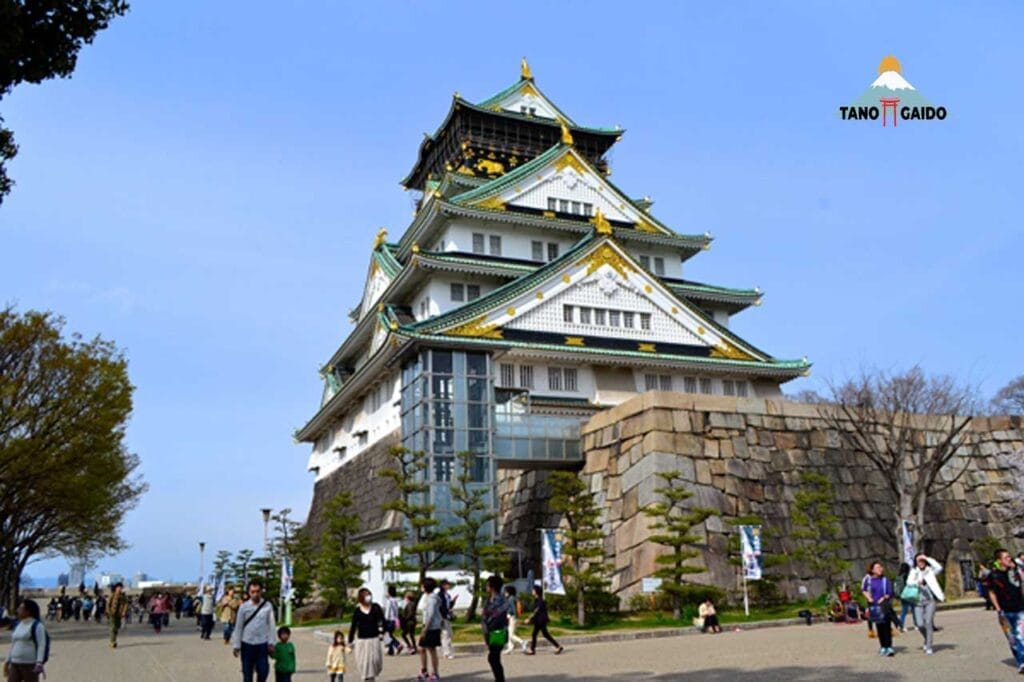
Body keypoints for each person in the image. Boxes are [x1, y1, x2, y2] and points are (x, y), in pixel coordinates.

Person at [984, 548, 1024, 673]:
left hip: (1020, 608)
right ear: (999, 560)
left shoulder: (1015, 571)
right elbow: (991, 592)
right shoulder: (993, 575)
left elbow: (1022, 586)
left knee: (1021, 636)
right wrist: (998, 608)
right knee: (1012, 639)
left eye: (1009, 556)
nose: (1009, 559)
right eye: (1006, 557)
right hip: (1004, 611)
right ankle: (1021, 661)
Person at [232, 579, 277, 682]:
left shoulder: (267, 606)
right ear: (249, 592)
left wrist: (272, 642)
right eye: (253, 592)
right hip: (247, 644)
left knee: (263, 671)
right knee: (247, 673)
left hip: (262, 644)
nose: (255, 594)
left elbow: (272, 625)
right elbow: (238, 627)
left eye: (258, 591)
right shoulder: (244, 607)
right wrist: (236, 645)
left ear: (261, 592)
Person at [906, 552, 944, 655]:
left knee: (928, 622)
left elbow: (939, 568)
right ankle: (927, 638)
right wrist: (917, 582)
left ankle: (929, 646)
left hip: (930, 600)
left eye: (923, 560)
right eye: (919, 561)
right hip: (918, 601)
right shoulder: (914, 571)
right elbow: (908, 582)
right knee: (919, 624)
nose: (921, 562)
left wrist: (927, 558)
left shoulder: (930, 571)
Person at [3, 598, 47, 682]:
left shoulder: (37, 625)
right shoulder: (18, 624)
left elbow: (41, 645)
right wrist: (7, 660)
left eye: (21, 608)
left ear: (28, 611)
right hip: (15, 662)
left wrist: (39, 662)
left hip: (29, 664)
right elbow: (13, 644)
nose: (17, 610)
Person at [348, 587, 385, 681]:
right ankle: (367, 678)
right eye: (365, 595)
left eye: (369, 594)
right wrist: (350, 640)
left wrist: (382, 632)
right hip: (362, 640)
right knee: (364, 661)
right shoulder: (357, 610)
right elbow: (353, 626)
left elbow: (382, 621)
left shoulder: (376, 607)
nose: (368, 597)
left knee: (375, 661)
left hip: (374, 638)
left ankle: (371, 677)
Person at [861, 560, 895, 657]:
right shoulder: (868, 580)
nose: (880, 569)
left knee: (886, 625)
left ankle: (889, 646)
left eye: (880, 567)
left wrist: (884, 598)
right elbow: (864, 590)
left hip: (884, 605)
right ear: (872, 570)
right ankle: (883, 646)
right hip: (874, 606)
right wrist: (869, 598)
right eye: (877, 567)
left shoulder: (885, 580)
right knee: (879, 626)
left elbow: (890, 592)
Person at [481, 575, 508, 682]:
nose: (486, 587)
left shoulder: (500, 600)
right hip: (489, 631)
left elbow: (497, 616)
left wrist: (487, 624)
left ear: (492, 587)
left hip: (497, 631)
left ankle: (500, 679)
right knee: (494, 658)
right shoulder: (489, 599)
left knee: (493, 658)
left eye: (487, 585)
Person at [525, 584, 563, 655]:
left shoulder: (540, 600)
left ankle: (532, 650)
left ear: (536, 591)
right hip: (539, 620)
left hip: (541, 620)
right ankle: (558, 646)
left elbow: (536, 611)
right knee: (541, 634)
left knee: (538, 634)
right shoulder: (537, 600)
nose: (532, 591)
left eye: (533, 590)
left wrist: (529, 619)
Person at [417, 578, 442, 682]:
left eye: (422, 585)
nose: (421, 587)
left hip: (432, 627)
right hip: (427, 626)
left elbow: (430, 615)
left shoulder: (432, 598)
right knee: (422, 648)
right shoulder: (427, 597)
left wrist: (424, 629)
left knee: (431, 650)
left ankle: (435, 673)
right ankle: (424, 671)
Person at [502, 585, 527, 654]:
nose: (504, 593)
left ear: (509, 592)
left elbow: (513, 609)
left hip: (512, 618)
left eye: (505, 592)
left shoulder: (511, 599)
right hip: (511, 617)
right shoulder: (513, 598)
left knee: (511, 635)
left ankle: (522, 642)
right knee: (510, 633)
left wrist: (515, 617)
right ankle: (510, 648)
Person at [895, 562, 917, 632]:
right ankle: (916, 624)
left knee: (904, 611)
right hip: (909, 594)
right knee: (914, 610)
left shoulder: (898, 576)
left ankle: (901, 625)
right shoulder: (907, 576)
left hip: (902, 595)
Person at [438, 579, 457, 660]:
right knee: (446, 635)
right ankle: (447, 652)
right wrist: (441, 616)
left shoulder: (447, 595)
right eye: (447, 584)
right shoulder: (440, 595)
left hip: (447, 617)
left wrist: (453, 601)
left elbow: (449, 606)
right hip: (443, 617)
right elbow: (440, 607)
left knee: (448, 634)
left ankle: (446, 652)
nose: (448, 586)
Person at [108, 582, 130, 648]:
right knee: (113, 627)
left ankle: (114, 639)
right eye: (119, 587)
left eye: (121, 588)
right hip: (112, 613)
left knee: (117, 627)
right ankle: (112, 641)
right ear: (116, 588)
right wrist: (108, 611)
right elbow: (108, 603)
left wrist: (124, 612)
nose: (120, 589)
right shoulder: (112, 595)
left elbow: (126, 604)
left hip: (119, 614)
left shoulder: (123, 596)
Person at [382, 585, 403, 655]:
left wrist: (384, 620)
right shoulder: (395, 601)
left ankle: (397, 645)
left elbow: (387, 611)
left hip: (389, 620)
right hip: (395, 620)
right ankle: (391, 651)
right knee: (389, 635)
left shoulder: (389, 601)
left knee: (387, 635)